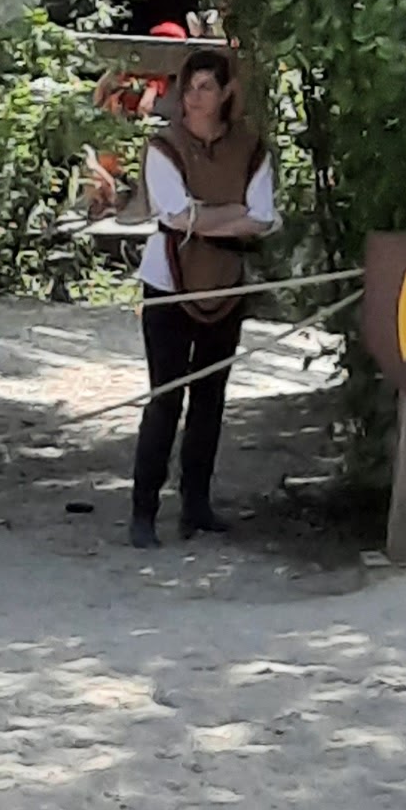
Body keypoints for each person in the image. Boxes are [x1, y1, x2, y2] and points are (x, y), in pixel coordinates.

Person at [131, 41, 275, 551]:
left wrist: (204, 217)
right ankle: (143, 511)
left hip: (226, 283)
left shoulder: (250, 150)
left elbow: (263, 217)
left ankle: (196, 506)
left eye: (206, 88)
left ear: (225, 93)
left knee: (210, 399)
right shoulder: (164, 148)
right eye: (189, 87)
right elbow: (173, 215)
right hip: (169, 283)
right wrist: (229, 214)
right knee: (165, 398)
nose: (194, 98)